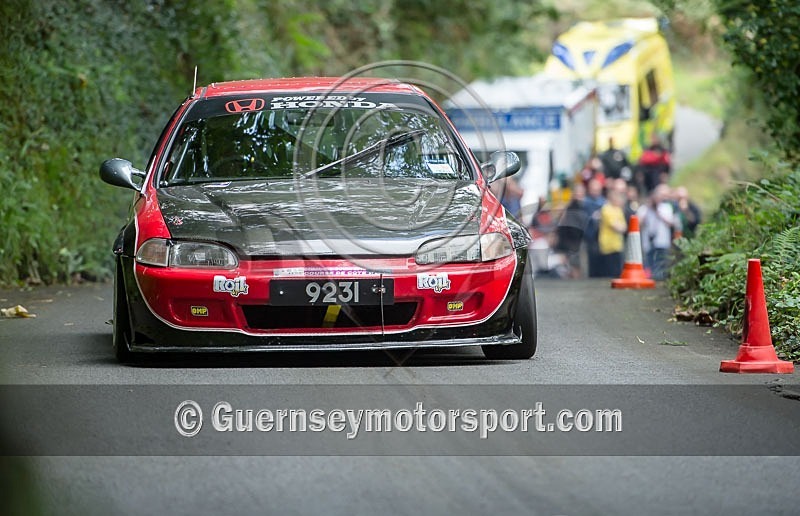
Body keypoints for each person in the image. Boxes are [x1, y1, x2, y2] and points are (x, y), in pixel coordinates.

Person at [638, 184, 678, 280]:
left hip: (662, 241)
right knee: (650, 263)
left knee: (661, 262)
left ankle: (660, 279)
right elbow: (639, 223)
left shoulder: (666, 208)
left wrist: (658, 213)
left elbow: (671, 223)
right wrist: (648, 209)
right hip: (648, 241)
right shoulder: (644, 209)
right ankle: (651, 278)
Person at [555, 182, 588, 278]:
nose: (580, 195)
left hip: (573, 243)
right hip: (572, 244)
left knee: (574, 269)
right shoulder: (573, 207)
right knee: (574, 269)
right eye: (578, 193)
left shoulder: (581, 207)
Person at [598, 189, 628, 277]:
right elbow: (615, 225)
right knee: (609, 270)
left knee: (617, 270)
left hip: (617, 244)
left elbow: (624, 227)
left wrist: (620, 226)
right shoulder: (606, 209)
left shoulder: (618, 210)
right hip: (608, 244)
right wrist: (620, 226)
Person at [582, 178, 606, 277]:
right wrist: (592, 217)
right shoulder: (585, 202)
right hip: (590, 236)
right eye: (593, 189)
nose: (596, 192)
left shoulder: (604, 202)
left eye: (597, 190)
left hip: (603, 236)